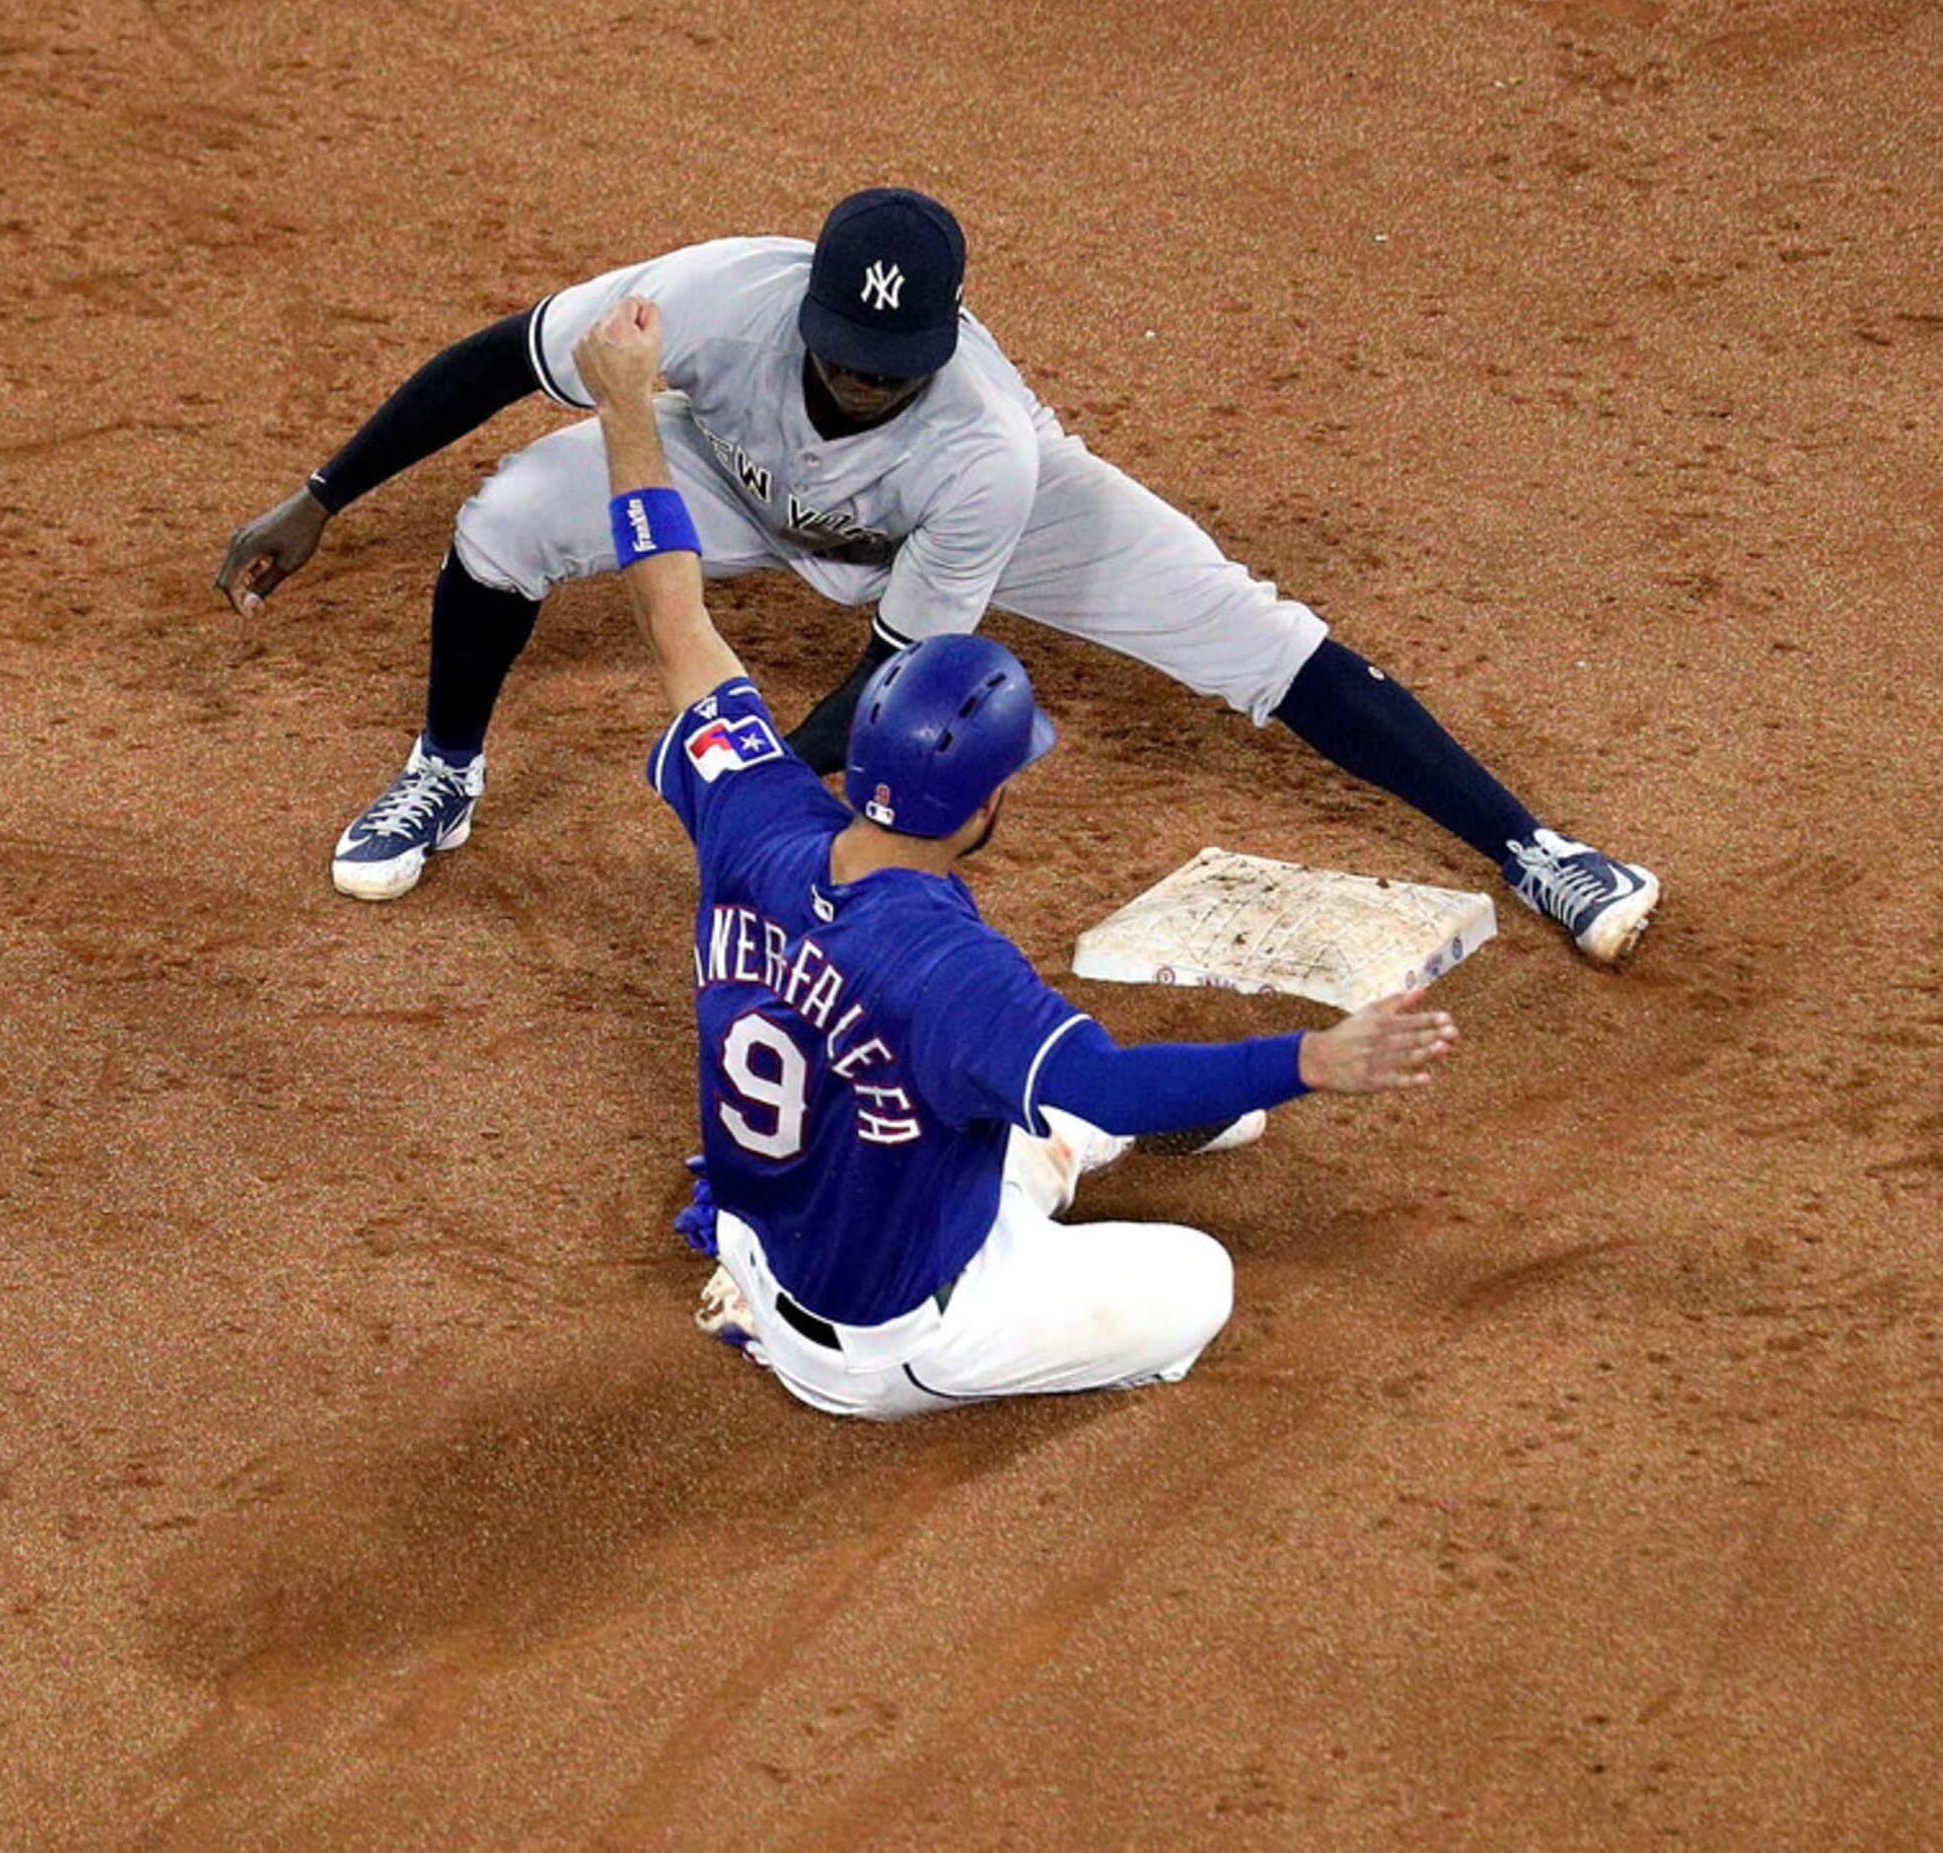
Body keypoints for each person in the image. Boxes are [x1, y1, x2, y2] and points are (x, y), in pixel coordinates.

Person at [214, 187, 1660, 963]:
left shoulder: (982, 448)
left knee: (1251, 636)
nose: (857, 380)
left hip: (953, 534)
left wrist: (755, 804)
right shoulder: (715, 293)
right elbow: (497, 358)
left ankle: (1536, 848)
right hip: (726, 476)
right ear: (808, 304)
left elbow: (891, 676)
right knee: (504, 522)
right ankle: (444, 767)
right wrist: (324, 494)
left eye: (890, 367)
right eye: (842, 351)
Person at [571, 294, 1457, 1417]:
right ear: (986, 806)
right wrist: (1315, 1062)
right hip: (885, 1346)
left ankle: (765, 1278)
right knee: (1197, 1274)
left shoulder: (759, 814)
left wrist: (622, 411)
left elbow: (675, 620)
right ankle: (862, 1333)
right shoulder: (950, 970)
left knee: (1024, 1090)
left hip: (763, 1231)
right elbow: (1112, 1083)